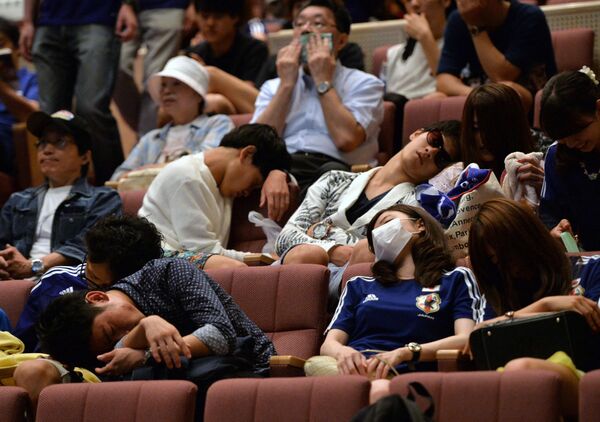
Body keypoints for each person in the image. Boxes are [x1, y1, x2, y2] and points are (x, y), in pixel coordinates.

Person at [35, 258, 275, 418]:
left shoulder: (169, 273)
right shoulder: (99, 348)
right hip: (173, 392)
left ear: (98, 298)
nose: (123, 337)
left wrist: (143, 354)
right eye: (113, 342)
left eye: (110, 331)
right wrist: (141, 332)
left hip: (251, 373)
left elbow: (222, 336)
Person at [277, 120, 461, 297]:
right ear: (416, 133)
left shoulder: (414, 209)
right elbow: (284, 238)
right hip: (300, 268)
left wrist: (320, 231)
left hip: (352, 282)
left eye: (442, 158)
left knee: (364, 251)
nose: (431, 152)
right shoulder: (334, 179)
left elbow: (375, 255)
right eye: (434, 140)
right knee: (306, 255)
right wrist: (334, 250)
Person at [304, 204, 484, 378]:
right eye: (374, 233)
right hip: (353, 368)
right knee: (313, 365)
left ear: (420, 225)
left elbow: (466, 339)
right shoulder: (358, 285)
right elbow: (329, 345)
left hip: (410, 370)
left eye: (387, 221)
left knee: (375, 387)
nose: (379, 233)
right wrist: (342, 352)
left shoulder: (455, 279)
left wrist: (405, 353)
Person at [468, 198, 600, 420]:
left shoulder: (592, 269)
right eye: (495, 261)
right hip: (515, 391)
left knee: (520, 371)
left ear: (528, 238)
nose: (509, 267)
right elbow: (478, 333)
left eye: (509, 252)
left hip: (587, 384)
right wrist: (545, 306)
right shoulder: (496, 293)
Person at [252, 0, 385, 218]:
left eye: (318, 24)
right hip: (285, 166)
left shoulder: (365, 83)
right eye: (299, 24)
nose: (305, 29)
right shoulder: (274, 86)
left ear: (341, 40)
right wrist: (286, 86)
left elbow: (346, 139)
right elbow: (256, 144)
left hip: (337, 170)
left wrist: (323, 80)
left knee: (330, 173)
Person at [19, 0, 138, 184]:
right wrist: (28, 21)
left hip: (98, 15)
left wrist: (127, 4)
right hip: (48, 20)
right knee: (50, 117)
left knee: (91, 109)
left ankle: (113, 191)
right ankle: (57, 197)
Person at [139, 123, 291, 266]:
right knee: (231, 267)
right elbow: (204, 253)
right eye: (254, 183)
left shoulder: (224, 181)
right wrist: (263, 258)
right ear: (247, 154)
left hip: (190, 265)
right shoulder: (186, 176)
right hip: (159, 262)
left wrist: (278, 175)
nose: (247, 193)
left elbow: (294, 181)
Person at [12, 214, 164, 353]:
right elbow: (23, 346)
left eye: (108, 286)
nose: (96, 287)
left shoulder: (152, 291)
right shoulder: (58, 281)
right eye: (93, 276)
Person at [0, 110, 122, 280]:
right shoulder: (18, 200)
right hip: (14, 282)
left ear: (85, 157)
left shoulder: (104, 199)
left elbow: (86, 246)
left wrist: (34, 266)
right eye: (42, 143)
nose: (47, 150)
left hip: (67, 284)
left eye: (60, 142)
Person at [110, 56, 234, 182]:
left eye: (176, 84)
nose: (167, 91)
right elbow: (117, 177)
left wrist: (144, 171)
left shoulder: (218, 124)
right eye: (163, 85)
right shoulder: (151, 138)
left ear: (197, 94)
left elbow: (205, 166)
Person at [436, 0, 556, 112]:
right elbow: (443, 81)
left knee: (508, 90)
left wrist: (475, 26)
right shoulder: (458, 19)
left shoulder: (530, 16)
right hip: (480, 96)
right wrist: (477, 95)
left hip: (526, 105)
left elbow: (501, 75)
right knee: (435, 98)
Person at [539, 68, 600, 251]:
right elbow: (548, 212)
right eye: (563, 138)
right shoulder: (556, 155)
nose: (572, 143)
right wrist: (556, 230)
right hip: (584, 262)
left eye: (577, 131)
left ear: (597, 109)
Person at [114, 0, 192, 136]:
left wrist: (193, 4)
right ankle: (145, 133)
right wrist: (125, 4)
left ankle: (146, 139)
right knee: (116, 69)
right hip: (130, 7)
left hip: (169, 6)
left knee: (153, 81)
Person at [382, 0, 451, 152]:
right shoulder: (394, 53)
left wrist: (425, 36)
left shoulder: (456, 45)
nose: (414, 4)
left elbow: (449, 82)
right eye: (407, 1)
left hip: (432, 126)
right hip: (394, 123)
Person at [460, 83, 544, 205]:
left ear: (512, 128)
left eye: (492, 129)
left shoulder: (537, 171)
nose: (483, 139)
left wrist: (544, 192)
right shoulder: (453, 176)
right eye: (476, 128)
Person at [187, 0, 269, 87]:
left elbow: (250, 93)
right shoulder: (194, 53)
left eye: (218, 17)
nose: (210, 23)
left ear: (235, 17)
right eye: (205, 16)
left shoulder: (256, 50)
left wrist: (209, 75)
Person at [0, 17, 39, 176]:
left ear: (16, 48)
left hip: (12, 146)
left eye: (1, 44)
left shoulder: (31, 79)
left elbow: (32, 117)